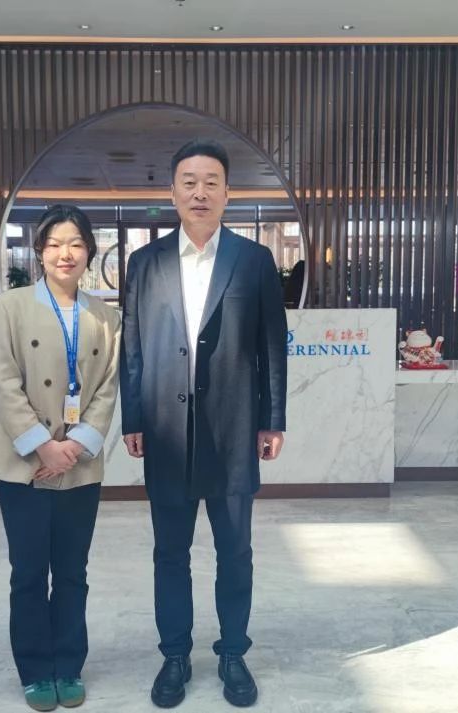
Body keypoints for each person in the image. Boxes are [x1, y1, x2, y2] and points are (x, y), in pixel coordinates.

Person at [120, 139, 288, 708]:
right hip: (166, 430)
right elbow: (132, 348)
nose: (200, 192)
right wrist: (133, 416)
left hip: (234, 431)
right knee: (170, 553)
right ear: (172, 193)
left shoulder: (253, 260)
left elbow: (272, 347)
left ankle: (233, 652)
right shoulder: (145, 263)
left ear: (226, 193)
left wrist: (272, 419)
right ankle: (174, 655)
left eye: (211, 182)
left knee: (234, 552)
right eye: (188, 182)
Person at [0, 204, 121, 711]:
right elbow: (4, 382)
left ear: (89, 252)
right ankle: (35, 671)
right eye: (55, 244)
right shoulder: (10, 307)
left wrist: (75, 446)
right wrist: (43, 444)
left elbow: (107, 389)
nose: (66, 253)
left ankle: (68, 664)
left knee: (72, 572)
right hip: (23, 463)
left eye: (76, 244)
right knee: (27, 572)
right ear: (40, 251)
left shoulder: (106, 316)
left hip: (79, 466)